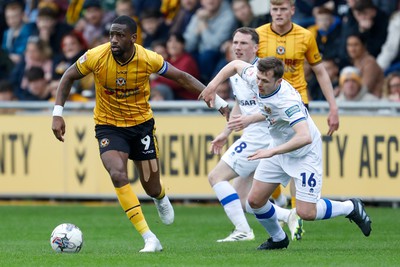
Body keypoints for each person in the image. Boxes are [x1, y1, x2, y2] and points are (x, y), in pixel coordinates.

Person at [51, 15, 228, 253]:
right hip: (109, 125)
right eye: (111, 34)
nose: (113, 40)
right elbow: (68, 76)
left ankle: (160, 196)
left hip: (141, 126)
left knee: (151, 186)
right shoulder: (96, 56)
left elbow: (182, 78)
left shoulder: (148, 58)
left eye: (120, 35)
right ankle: (149, 237)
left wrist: (218, 102)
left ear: (133, 38)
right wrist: (57, 113)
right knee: (117, 174)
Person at [201, 56, 372, 251]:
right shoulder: (256, 77)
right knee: (255, 201)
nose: (259, 84)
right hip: (279, 145)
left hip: (303, 153)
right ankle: (278, 238)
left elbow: (304, 136)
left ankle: (350, 207)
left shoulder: (287, 102)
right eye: (258, 78)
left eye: (265, 81)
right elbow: (234, 65)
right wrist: (212, 86)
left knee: (306, 212)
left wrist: (271, 151)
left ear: (279, 81)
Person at [208, 27, 303, 243]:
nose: (238, 47)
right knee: (245, 200)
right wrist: (226, 132)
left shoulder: (262, 73)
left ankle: (243, 231)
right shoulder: (237, 75)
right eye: (235, 42)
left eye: (243, 43)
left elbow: (275, 108)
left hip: (261, 136)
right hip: (254, 135)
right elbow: (242, 105)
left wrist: (250, 121)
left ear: (256, 47)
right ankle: (288, 215)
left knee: (216, 177)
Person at [254, 0, 340, 211]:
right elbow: (248, 69)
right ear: (270, 11)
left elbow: (319, 70)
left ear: (292, 10)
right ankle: (280, 202)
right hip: (267, 104)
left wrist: (333, 107)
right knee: (267, 151)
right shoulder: (259, 34)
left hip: (297, 101)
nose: (279, 13)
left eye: (283, 9)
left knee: (295, 155)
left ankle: (295, 212)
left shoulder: (305, 36)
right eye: (275, 9)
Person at [345, 33, 384, 98]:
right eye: (349, 45)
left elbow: (364, 88)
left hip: (372, 103)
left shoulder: (370, 63)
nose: (352, 49)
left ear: (364, 46)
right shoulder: (355, 62)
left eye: (356, 45)